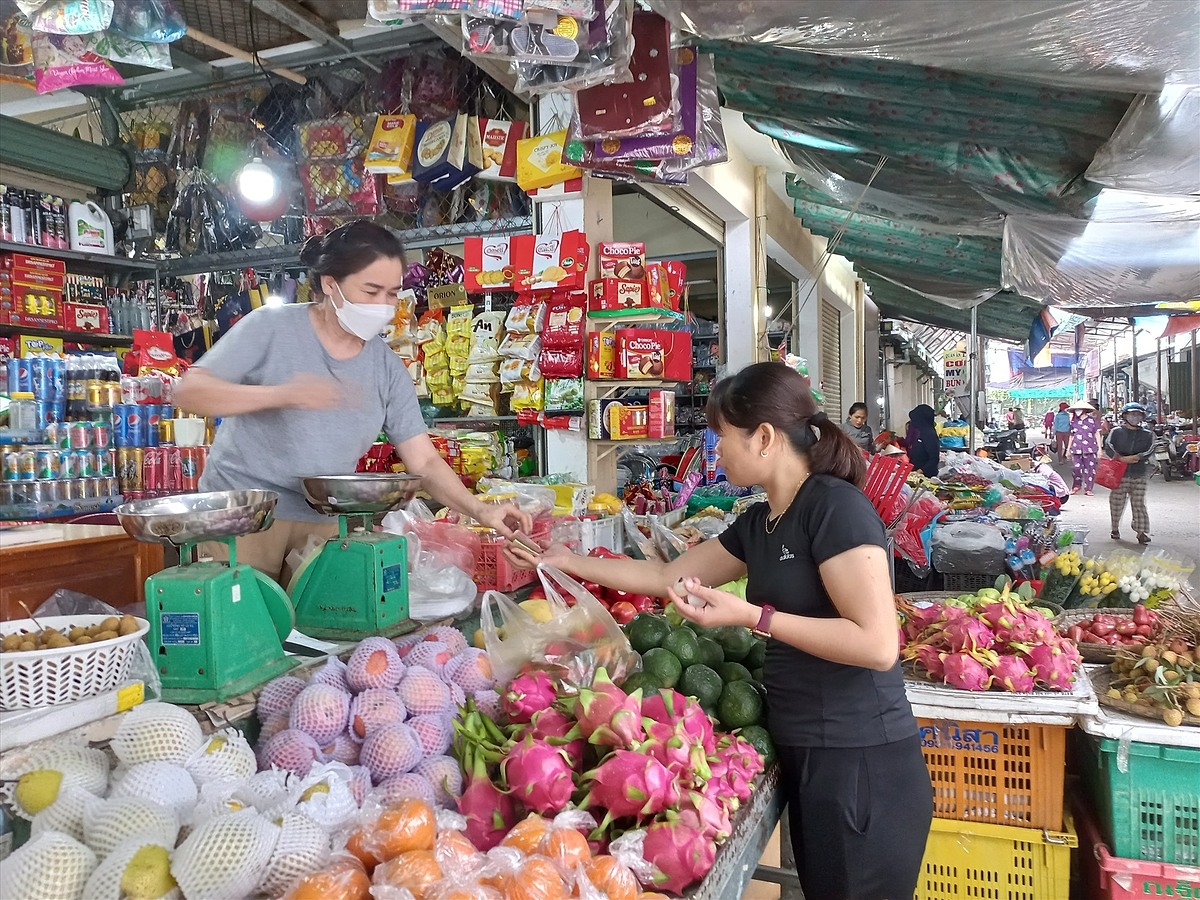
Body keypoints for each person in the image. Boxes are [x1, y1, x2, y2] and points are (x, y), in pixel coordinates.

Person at [506, 362, 932, 900]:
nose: (717, 448)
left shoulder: (833, 508)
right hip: (810, 750)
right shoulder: (762, 522)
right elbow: (665, 576)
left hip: (861, 758)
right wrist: (565, 559)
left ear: (765, 437)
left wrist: (755, 618)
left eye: (723, 436)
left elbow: (877, 644)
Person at [174, 221, 530, 583]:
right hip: (245, 515)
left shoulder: (386, 367)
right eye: (371, 290)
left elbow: (423, 459)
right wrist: (280, 395)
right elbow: (189, 391)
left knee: (319, 634)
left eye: (392, 293)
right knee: (243, 630)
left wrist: (480, 510)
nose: (383, 306)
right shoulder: (271, 327)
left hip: (324, 519)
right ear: (330, 284)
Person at [1105, 402, 1155, 544]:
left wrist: (1138, 457)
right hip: (1119, 473)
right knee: (1116, 502)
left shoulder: (1147, 434)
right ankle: (1115, 528)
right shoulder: (1116, 432)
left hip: (1139, 473)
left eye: (1138, 414)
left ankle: (1141, 532)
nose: (1135, 417)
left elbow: (1151, 449)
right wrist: (1120, 458)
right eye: (1132, 414)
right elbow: (1108, 446)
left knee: (1139, 504)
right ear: (1125, 416)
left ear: (1142, 417)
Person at [1068, 400, 1101, 495]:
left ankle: (1088, 489)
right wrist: (1068, 450)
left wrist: (1100, 449)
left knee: (1090, 469)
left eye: (1079, 409)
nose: (1077, 411)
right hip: (1076, 448)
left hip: (1090, 448)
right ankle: (1076, 486)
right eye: (1076, 410)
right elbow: (1071, 435)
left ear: (1084, 410)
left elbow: (1097, 433)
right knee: (1076, 468)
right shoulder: (1074, 422)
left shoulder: (1092, 420)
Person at [905, 404, 941, 477]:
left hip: (926, 477)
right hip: (913, 473)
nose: (912, 422)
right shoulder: (916, 433)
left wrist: (920, 471)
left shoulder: (930, 434)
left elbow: (934, 459)